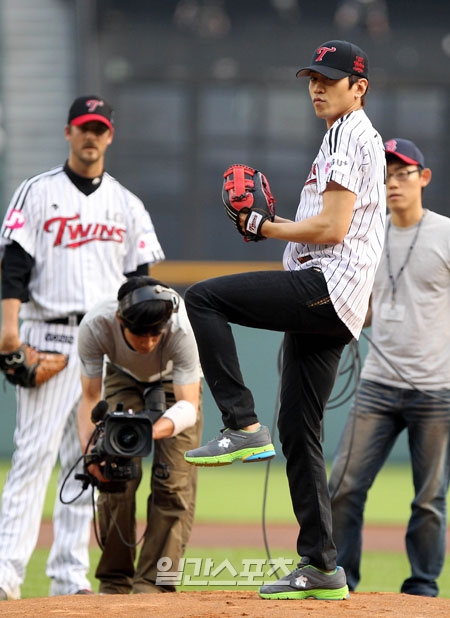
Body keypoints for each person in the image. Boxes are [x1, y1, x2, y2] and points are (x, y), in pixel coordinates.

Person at [183, 39, 386, 600]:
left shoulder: (349, 134)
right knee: (300, 429)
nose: (317, 86)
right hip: (333, 296)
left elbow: (331, 230)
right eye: (312, 77)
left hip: (326, 285)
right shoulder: (340, 136)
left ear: (358, 88)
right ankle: (321, 565)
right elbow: (328, 224)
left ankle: (241, 424)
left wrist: (264, 226)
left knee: (202, 298)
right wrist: (273, 225)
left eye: (329, 78)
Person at [0, 95, 165, 600]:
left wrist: (141, 355)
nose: (91, 136)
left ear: (109, 135)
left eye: (99, 128)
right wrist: (8, 335)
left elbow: (143, 288)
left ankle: (68, 578)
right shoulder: (37, 192)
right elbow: (13, 267)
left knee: (88, 460)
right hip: (46, 333)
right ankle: (6, 574)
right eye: (83, 127)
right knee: (34, 456)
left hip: (104, 343)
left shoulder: (127, 204)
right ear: (68, 132)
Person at [329, 138, 450, 597]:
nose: (394, 181)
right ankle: (342, 581)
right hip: (378, 383)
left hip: (436, 388)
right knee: (343, 484)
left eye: (403, 173)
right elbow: (361, 306)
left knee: (429, 499)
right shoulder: (365, 232)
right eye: (387, 174)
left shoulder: (444, 233)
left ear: (424, 177)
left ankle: (421, 588)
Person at [77, 275, 203, 594]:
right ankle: (115, 580)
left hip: (176, 384)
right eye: (139, 333)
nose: (147, 342)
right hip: (123, 376)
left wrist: (149, 430)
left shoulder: (181, 328)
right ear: (120, 320)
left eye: (154, 334)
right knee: (114, 474)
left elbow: (189, 405)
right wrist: (91, 453)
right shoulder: (95, 325)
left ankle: (154, 584)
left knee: (173, 481)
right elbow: (90, 398)